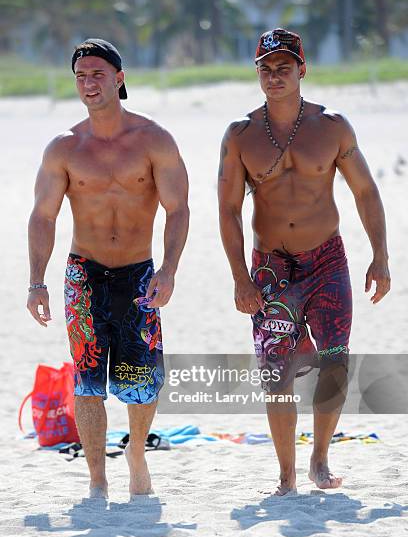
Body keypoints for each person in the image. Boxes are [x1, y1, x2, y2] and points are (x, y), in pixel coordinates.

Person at [218, 28, 390, 496]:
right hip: (271, 269)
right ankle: (285, 474)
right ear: (257, 73)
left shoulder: (332, 126)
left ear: (302, 70)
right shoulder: (240, 134)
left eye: (284, 68)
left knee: (335, 361)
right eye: (266, 69)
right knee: (276, 376)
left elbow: (365, 190)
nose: (274, 77)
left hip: (327, 260)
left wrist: (381, 254)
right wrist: (240, 277)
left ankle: (319, 457)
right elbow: (229, 209)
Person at [27, 38, 189, 499]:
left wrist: (169, 270)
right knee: (87, 379)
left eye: (97, 73)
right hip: (84, 274)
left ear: (119, 78)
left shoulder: (153, 139)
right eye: (80, 76)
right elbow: (43, 215)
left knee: (141, 380)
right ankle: (97, 478)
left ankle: (136, 451)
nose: (88, 83)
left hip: (139, 275)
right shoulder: (65, 147)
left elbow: (178, 209)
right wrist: (36, 281)